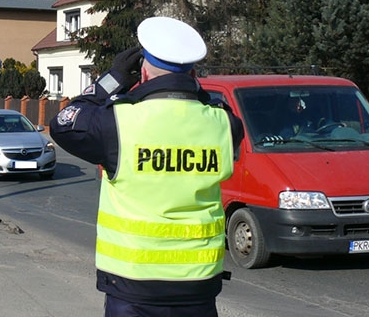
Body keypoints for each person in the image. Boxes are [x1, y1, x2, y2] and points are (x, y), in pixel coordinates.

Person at [49, 16, 244, 317]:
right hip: (198, 285)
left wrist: (110, 82)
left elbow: (62, 124)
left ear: (141, 71)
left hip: (133, 288)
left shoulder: (117, 123)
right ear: (194, 71)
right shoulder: (224, 124)